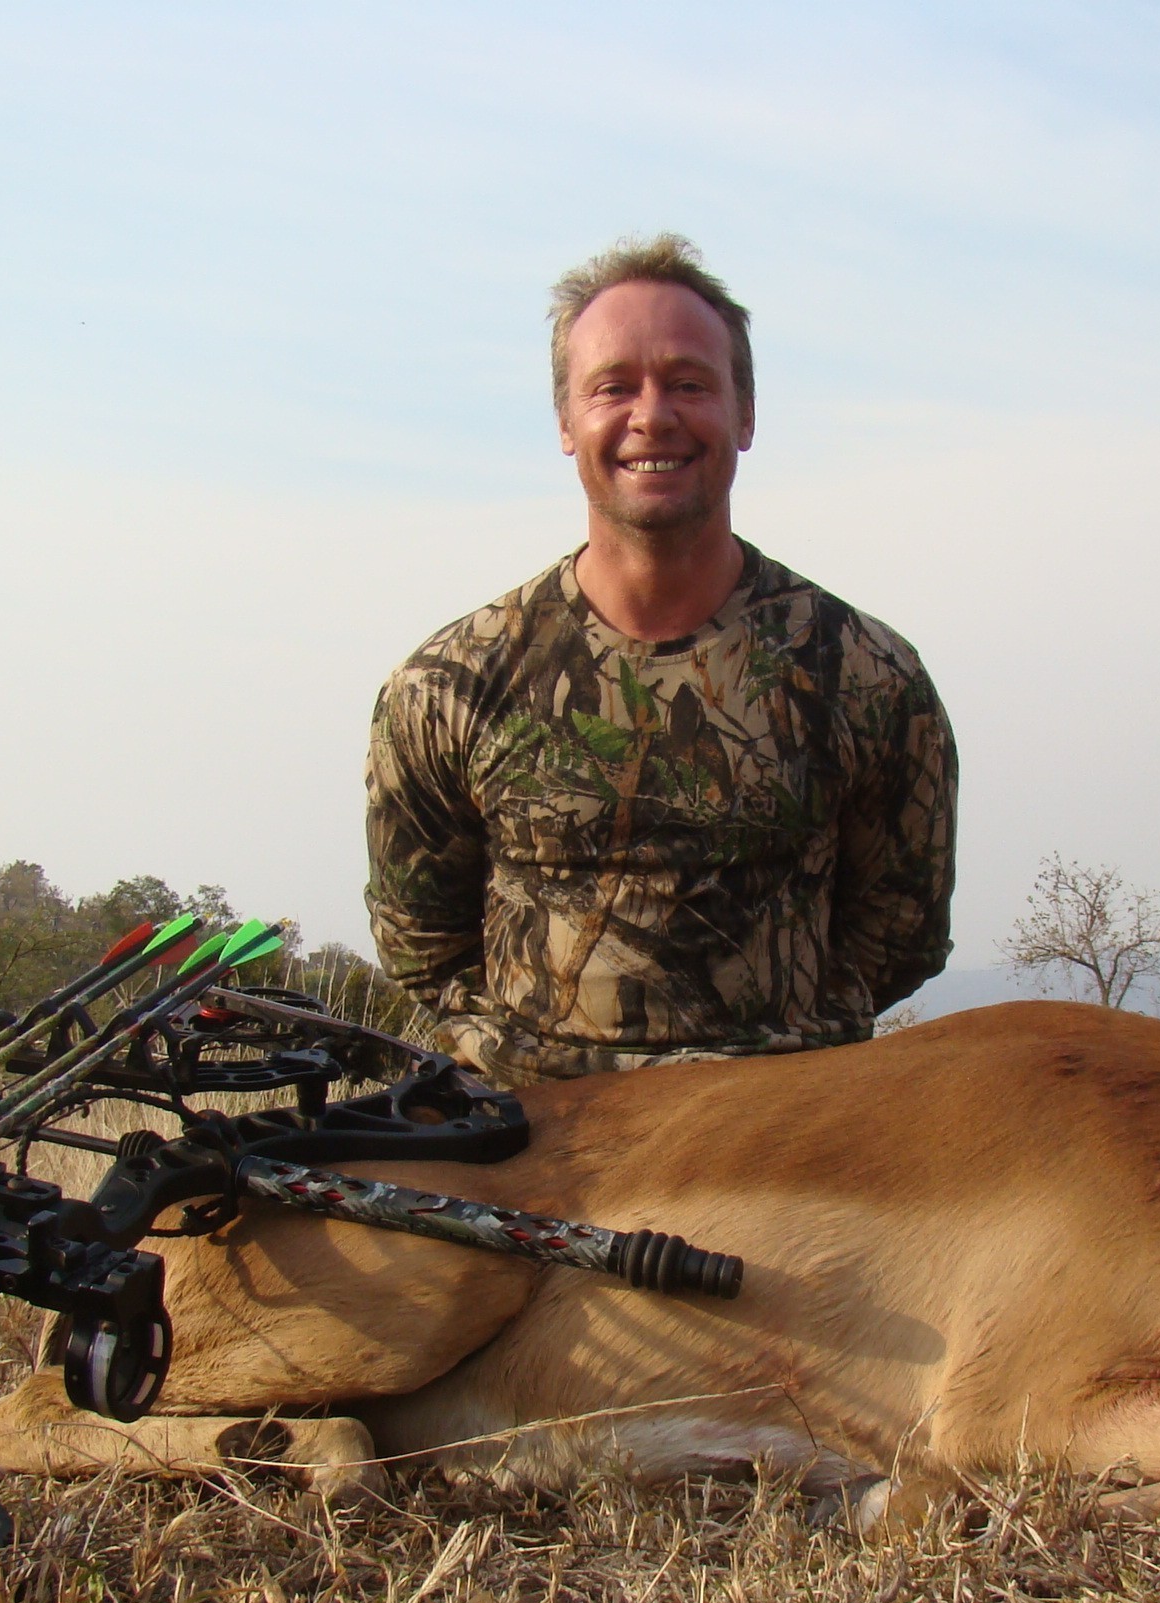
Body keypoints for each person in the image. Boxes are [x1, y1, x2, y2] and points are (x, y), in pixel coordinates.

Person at [366, 236, 957, 1086]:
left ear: (744, 415)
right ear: (567, 423)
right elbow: (420, 944)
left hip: (795, 1139)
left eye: (689, 383)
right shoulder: (447, 686)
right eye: (614, 387)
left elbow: (899, 935)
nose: (653, 416)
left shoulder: (865, 676)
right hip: (537, 1147)